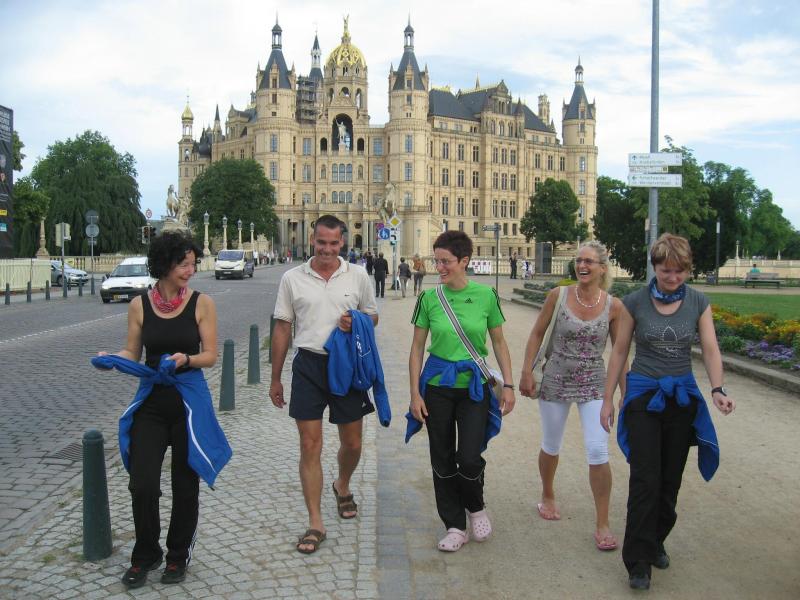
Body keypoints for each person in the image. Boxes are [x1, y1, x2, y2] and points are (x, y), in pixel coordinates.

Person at [601, 233, 736, 591]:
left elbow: (710, 348)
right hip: (643, 397)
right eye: (665, 270)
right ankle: (638, 562)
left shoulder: (698, 302)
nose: (672, 277)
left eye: (679, 271)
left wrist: (718, 389)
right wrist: (608, 398)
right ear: (655, 267)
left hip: (681, 399)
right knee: (645, 479)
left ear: (687, 270)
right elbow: (619, 351)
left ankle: (656, 539)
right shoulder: (634, 302)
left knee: (669, 481)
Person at [97, 231, 223, 589]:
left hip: (188, 402)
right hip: (152, 400)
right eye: (183, 264)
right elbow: (132, 352)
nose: (190, 270)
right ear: (164, 264)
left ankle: (177, 554)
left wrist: (187, 359)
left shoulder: (202, 303)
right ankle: (146, 553)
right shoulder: (139, 305)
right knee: (143, 483)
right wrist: (112, 359)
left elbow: (210, 356)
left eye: (193, 264)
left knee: (185, 484)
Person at [269, 215, 379, 555]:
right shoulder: (292, 278)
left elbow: (373, 315)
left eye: (333, 243)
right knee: (309, 444)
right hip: (309, 364)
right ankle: (316, 522)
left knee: (353, 443)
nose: (327, 250)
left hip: (346, 365)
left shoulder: (358, 275)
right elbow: (282, 327)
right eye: (321, 243)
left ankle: (342, 484)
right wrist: (275, 377)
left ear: (342, 242)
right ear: (312, 240)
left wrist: (357, 320)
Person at [408, 230, 516, 552]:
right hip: (437, 387)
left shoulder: (486, 296)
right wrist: (415, 394)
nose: (439, 267)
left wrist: (509, 385)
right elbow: (417, 349)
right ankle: (454, 525)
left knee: (468, 457)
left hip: (474, 387)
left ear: (464, 261)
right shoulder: (429, 299)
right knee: (441, 457)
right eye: (437, 261)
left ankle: (475, 506)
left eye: (446, 262)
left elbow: (499, 342)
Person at [519, 241, 626, 553]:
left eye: (589, 261)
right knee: (551, 444)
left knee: (598, 450)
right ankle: (548, 494)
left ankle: (602, 523)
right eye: (579, 260)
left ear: (602, 268)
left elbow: (619, 353)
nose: (582, 266)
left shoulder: (614, 306)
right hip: (555, 378)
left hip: (594, 382)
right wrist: (526, 371)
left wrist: (625, 393)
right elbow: (537, 333)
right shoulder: (559, 295)